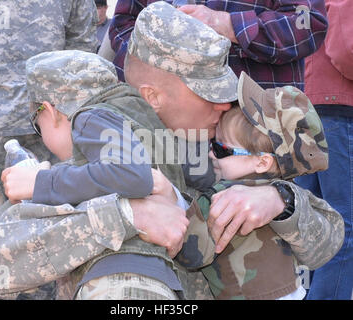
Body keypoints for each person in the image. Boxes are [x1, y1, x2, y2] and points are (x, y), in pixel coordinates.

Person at [0, 2, 344, 300]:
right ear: (153, 96)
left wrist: (278, 199)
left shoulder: (194, 143)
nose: (224, 104)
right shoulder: (94, 139)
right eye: (209, 94)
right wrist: (126, 216)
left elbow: (329, 237)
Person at [0, 0, 99, 300]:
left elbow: (81, 47)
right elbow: (82, 47)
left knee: (34, 242)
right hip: (10, 128)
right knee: (4, 246)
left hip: (43, 129)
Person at [155, 71, 337, 299]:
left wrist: (171, 199)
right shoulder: (280, 184)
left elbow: (190, 253)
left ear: (262, 162)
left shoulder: (222, 196)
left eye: (221, 149)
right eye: (213, 143)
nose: (211, 152)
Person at [109, 0, 328, 89]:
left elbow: (308, 23)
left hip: (252, 132)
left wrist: (225, 24)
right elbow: (124, 24)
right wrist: (150, 66)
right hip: (161, 127)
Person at [294, 0, 353, 300]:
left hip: (305, 107)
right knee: (343, 225)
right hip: (337, 111)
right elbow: (346, 50)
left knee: (310, 220)